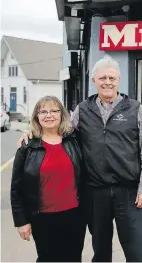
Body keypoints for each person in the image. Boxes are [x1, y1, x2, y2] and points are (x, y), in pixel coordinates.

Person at [18, 56, 142, 262]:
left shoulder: (135, 108)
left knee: (136, 248)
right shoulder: (83, 109)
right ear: (94, 81)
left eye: (112, 78)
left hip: (129, 192)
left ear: (119, 80)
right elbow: (61, 132)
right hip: (95, 192)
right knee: (101, 248)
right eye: (103, 78)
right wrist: (33, 133)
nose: (107, 82)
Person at [11, 96, 86, 262]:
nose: (49, 115)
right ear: (37, 116)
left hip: (74, 215)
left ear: (62, 114)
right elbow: (16, 188)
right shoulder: (27, 146)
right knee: (47, 258)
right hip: (42, 218)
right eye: (43, 111)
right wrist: (21, 221)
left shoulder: (74, 139)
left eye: (54, 110)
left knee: (73, 259)